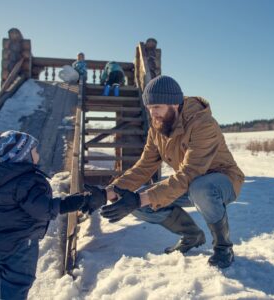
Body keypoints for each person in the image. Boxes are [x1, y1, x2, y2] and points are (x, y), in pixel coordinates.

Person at [89, 75, 245, 269]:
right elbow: (144, 166)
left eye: (157, 107)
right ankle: (191, 235)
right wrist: (107, 193)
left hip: (222, 181)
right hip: (188, 182)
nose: (153, 114)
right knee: (138, 202)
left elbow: (190, 173)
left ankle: (223, 248)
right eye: (149, 108)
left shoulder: (203, 124)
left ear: (175, 104)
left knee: (199, 188)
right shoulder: (158, 127)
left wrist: (139, 198)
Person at [0, 130, 104, 299]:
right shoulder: (26, 181)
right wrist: (75, 202)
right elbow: (44, 209)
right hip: (18, 245)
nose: (38, 154)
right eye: (34, 151)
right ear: (22, 156)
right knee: (18, 283)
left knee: (3, 279)